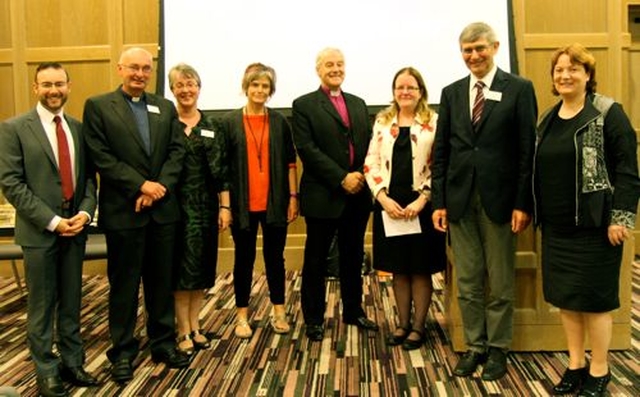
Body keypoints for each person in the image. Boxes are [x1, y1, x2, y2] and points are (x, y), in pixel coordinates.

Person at [431, 22, 537, 380]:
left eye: (479, 48)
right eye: (467, 50)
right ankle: (475, 346)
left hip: (502, 203)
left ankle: (498, 349)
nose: (473, 56)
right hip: (459, 202)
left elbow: (527, 151)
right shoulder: (451, 92)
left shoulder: (519, 89)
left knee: (502, 281)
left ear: (494, 47)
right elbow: (442, 151)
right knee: (469, 281)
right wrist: (439, 202)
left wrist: (523, 203)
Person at [534, 44, 639, 397]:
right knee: (567, 300)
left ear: (588, 75)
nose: (565, 75)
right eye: (559, 70)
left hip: (597, 226)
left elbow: (628, 171)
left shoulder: (608, 112)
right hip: (556, 227)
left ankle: (600, 368)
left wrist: (620, 217)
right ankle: (576, 364)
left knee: (595, 302)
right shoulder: (547, 119)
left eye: (574, 69)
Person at [82, 47, 188, 383]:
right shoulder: (99, 106)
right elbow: (100, 156)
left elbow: (176, 152)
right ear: (120, 69)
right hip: (123, 212)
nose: (140, 74)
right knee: (124, 285)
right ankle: (123, 351)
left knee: (161, 283)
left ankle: (162, 343)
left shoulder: (165, 106)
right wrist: (141, 185)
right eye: (133, 68)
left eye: (146, 68)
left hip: (162, 213)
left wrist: (158, 188)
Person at [0, 62, 98, 397]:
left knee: (72, 301)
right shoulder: (13, 129)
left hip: (76, 229)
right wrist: (54, 221)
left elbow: (88, 180)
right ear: (35, 88)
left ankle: (73, 362)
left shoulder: (78, 128)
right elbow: (12, 184)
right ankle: (46, 369)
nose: (53, 90)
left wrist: (85, 214)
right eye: (46, 85)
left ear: (69, 86)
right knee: (42, 306)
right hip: (41, 233)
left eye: (59, 84)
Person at [292, 47, 377, 342]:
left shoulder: (359, 103)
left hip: (358, 194)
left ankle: (353, 311)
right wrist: (341, 178)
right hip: (323, 195)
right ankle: (314, 318)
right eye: (329, 64)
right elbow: (307, 150)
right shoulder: (303, 105)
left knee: (353, 257)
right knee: (315, 259)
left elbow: (368, 146)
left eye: (340, 64)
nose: (336, 69)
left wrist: (358, 177)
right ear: (318, 69)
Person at [363, 67, 446, 351]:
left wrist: (423, 199)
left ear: (421, 90)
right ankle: (402, 323)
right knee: (399, 269)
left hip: (422, 206)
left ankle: (419, 326)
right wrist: (382, 197)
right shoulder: (383, 121)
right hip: (390, 205)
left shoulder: (434, 122)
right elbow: (370, 162)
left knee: (420, 269)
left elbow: (442, 165)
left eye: (411, 87)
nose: (405, 92)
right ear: (394, 90)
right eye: (400, 87)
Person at [221, 63, 298, 339]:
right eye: (255, 85)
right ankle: (242, 315)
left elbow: (291, 163)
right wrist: (225, 206)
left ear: (271, 90)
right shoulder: (229, 123)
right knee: (244, 260)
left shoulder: (279, 122)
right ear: (246, 87)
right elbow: (224, 170)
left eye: (265, 86)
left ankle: (279, 311)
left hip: (275, 202)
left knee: (274, 259)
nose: (259, 90)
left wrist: (292, 197)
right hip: (242, 205)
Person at [168, 63, 231, 354]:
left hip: (207, 208)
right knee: (181, 272)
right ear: (172, 90)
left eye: (190, 84)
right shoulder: (166, 125)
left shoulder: (212, 126)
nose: (186, 90)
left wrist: (225, 207)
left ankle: (195, 324)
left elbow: (223, 171)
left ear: (199, 88)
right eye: (180, 85)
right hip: (176, 209)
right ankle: (182, 330)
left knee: (202, 270)